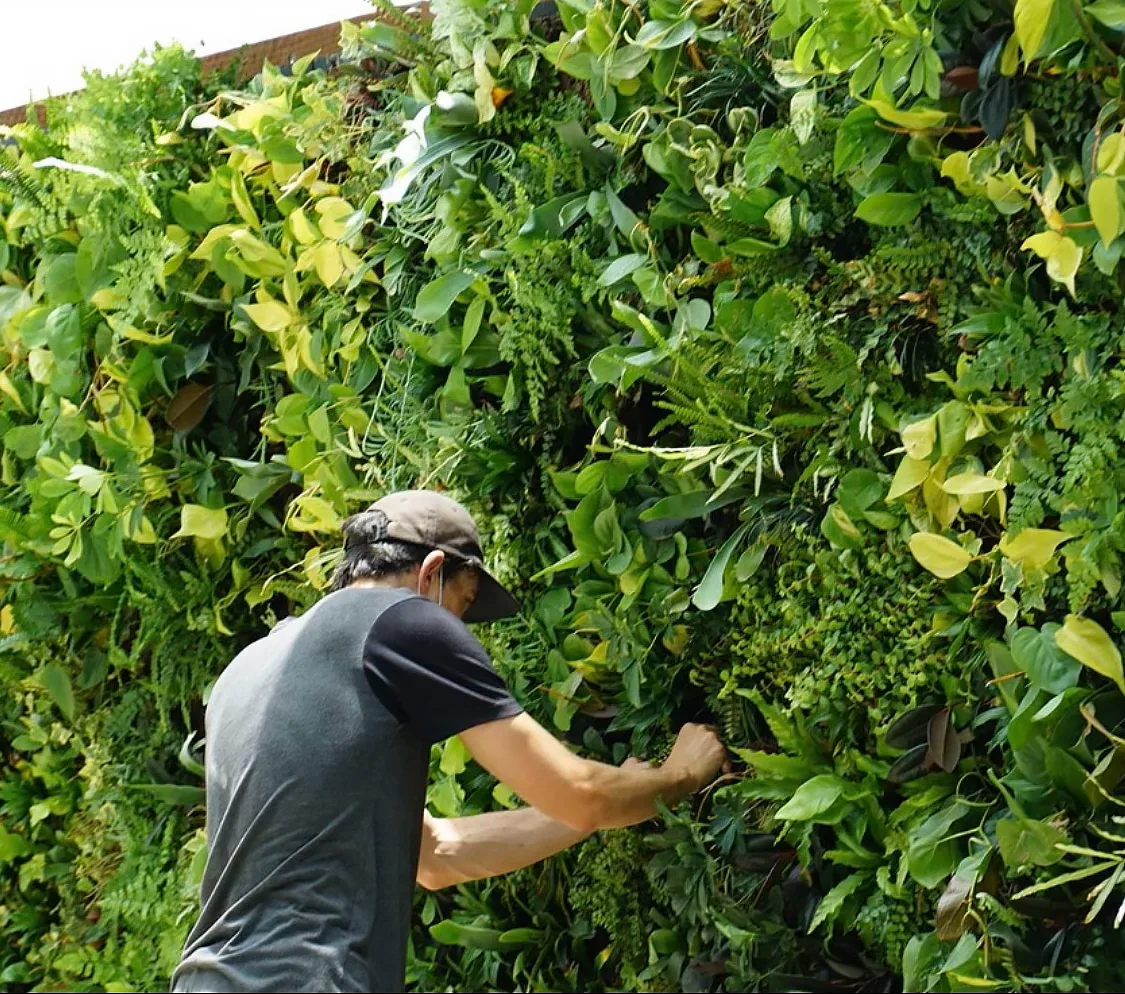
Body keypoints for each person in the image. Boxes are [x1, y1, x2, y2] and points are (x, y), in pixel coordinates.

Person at [171, 489, 726, 994]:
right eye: (461, 606)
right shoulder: (403, 622)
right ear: (431, 572)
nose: (458, 628)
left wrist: (609, 802)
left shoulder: (248, 669)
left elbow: (434, 856)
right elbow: (579, 791)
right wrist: (683, 776)